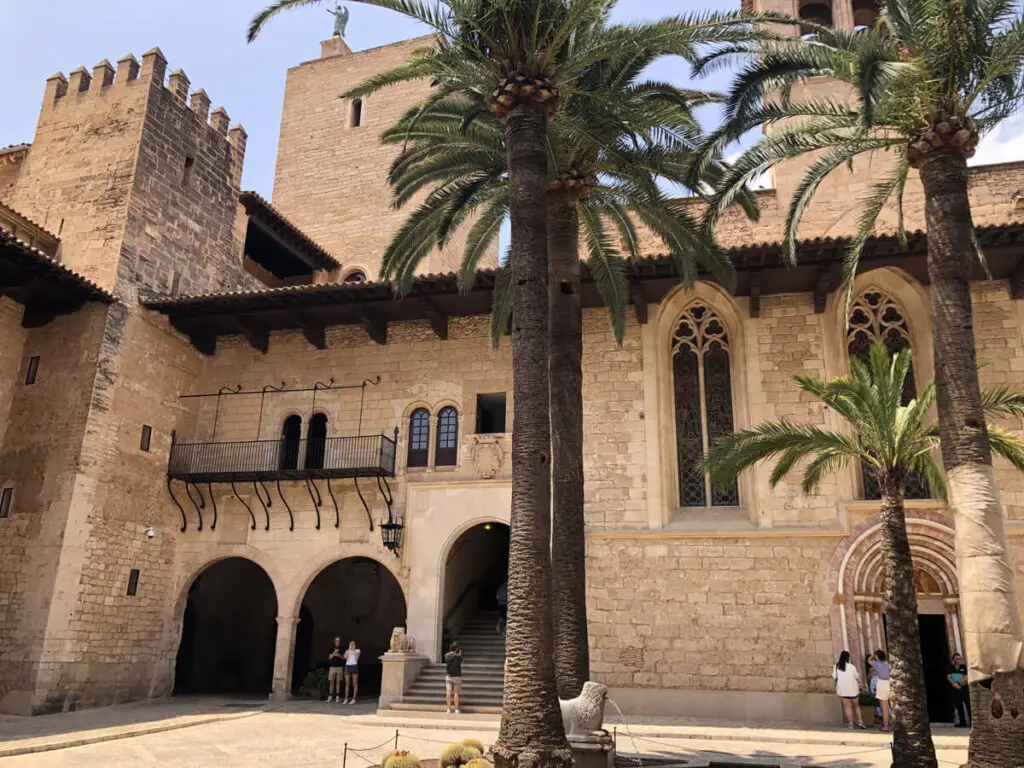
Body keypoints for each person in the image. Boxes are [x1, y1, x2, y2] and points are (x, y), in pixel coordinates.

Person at [833, 651, 866, 729]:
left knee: (847, 707)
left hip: (843, 690)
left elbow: (834, 677)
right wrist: (860, 684)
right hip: (853, 689)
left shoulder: (836, 666)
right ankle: (860, 721)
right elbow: (857, 676)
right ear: (848, 658)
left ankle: (851, 724)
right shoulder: (851, 667)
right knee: (856, 706)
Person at [947, 653, 971, 727]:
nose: (960, 660)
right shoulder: (951, 668)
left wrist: (960, 683)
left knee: (968, 705)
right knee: (958, 706)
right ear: (954, 660)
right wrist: (955, 684)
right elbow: (949, 677)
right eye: (958, 659)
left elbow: (966, 676)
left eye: (960, 658)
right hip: (955, 689)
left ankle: (971, 722)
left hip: (964, 689)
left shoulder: (964, 667)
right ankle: (962, 722)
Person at [871, 650, 891, 732]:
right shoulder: (888, 664)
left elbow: (869, 660)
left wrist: (872, 656)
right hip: (889, 683)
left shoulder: (876, 664)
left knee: (884, 708)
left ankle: (886, 726)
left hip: (882, 684)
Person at [445, 641, 463, 714]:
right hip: (457, 676)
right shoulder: (459, 656)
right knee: (456, 693)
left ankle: (449, 709)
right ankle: (456, 709)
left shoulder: (446, 655)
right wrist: (459, 653)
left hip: (449, 675)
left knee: (448, 692)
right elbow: (461, 661)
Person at [327, 636, 344, 703]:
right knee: (331, 682)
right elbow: (330, 658)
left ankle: (337, 696)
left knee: (338, 682)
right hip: (332, 667)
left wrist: (339, 655)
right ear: (334, 641)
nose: (338, 642)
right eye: (336, 641)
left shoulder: (342, 648)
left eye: (339, 641)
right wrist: (334, 653)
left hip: (339, 667)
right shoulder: (331, 648)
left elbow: (344, 658)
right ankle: (330, 695)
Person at [342, 639, 360, 705]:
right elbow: (345, 657)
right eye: (351, 644)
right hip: (348, 666)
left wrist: (354, 650)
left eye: (353, 644)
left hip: (354, 666)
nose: (352, 645)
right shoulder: (347, 651)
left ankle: (354, 699)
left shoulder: (358, 650)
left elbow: (357, 658)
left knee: (354, 683)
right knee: (347, 684)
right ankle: (346, 698)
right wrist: (349, 650)